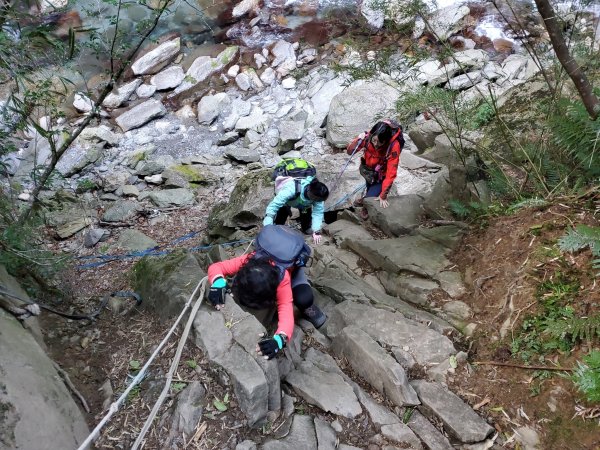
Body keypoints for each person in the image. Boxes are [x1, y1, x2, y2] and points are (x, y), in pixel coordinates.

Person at [207, 225, 327, 360]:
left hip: (291, 269)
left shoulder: (282, 281)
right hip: (278, 261)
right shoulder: (250, 259)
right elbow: (218, 267)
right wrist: (217, 282)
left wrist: (280, 339)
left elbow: (285, 309)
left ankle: (308, 307)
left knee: (304, 298)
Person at [347, 120, 404, 220]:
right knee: (369, 186)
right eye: (374, 141)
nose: (376, 144)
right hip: (368, 170)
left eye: (380, 142)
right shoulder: (367, 137)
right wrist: (357, 140)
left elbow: (391, 171)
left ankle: (366, 204)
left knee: (373, 195)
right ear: (372, 135)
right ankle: (366, 198)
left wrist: (383, 195)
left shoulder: (394, 146)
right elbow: (350, 151)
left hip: (382, 173)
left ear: (386, 140)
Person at [263, 177, 329, 244]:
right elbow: (273, 206)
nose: (315, 201)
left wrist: (316, 231)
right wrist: (268, 227)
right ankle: (277, 229)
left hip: (304, 205)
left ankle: (306, 228)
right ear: (308, 190)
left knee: (306, 213)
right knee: (282, 214)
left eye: (317, 200)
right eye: (314, 198)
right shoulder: (290, 189)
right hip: (287, 202)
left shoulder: (319, 197)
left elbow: (318, 213)